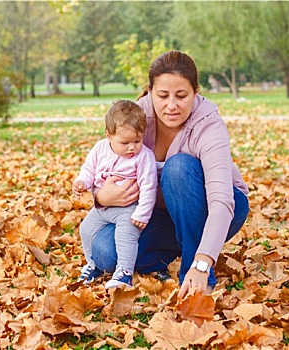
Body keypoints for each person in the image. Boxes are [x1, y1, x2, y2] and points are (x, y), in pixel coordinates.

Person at [81, 50, 249, 297]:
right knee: (105, 252)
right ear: (150, 91)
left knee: (179, 167)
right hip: (157, 214)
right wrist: (101, 197)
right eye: (162, 95)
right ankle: (176, 250)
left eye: (181, 96)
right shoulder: (136, 117)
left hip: (219, 209)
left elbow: (221, 201)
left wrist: (203, 263)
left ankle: (194, 267)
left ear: (195, 92)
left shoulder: (209, 126)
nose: (171, 105)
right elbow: (104, 165)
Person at [73, 100, 157, 288]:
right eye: (125, 142)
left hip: (128, 209)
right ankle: (92, 264)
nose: (132, 148)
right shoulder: (100, 149)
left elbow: (148, 186)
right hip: (103, 206)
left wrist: (142, 213)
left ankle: (124, 273)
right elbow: (89, 169)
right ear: (108, 135)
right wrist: (81, 182)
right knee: (86, 229)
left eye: (138, 140)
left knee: (126, 234)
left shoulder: (143, 156)